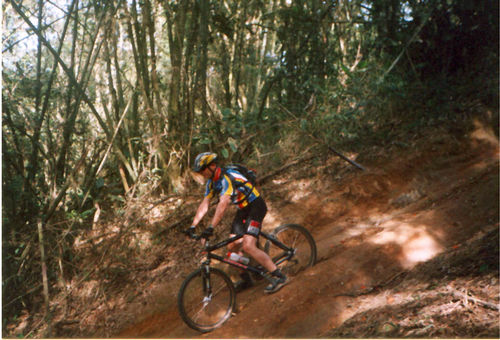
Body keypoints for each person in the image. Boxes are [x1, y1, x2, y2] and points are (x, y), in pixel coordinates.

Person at [186, 152, 288, 294]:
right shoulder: (211, 182)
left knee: (248, 246)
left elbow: (223, 204)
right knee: (232, 246)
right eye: (200, 171)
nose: (202, 173)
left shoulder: (226, 178)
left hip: (256, 206)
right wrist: (193, 226)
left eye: (203, 169)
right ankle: (247, 279)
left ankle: (279, 277)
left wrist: (211, 227)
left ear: (213, 166)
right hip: (243, 209)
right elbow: (205, 203)